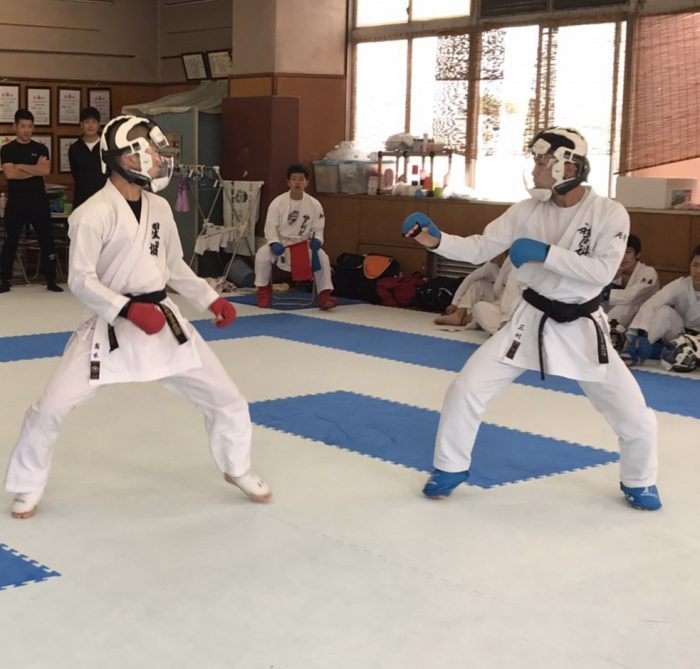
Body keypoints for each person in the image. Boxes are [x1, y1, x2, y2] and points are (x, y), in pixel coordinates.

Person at [5, 114, 271, 519]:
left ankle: (237, 467)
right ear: (123, 157)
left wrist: (210, 299)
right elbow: (80, 280)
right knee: (51, 407)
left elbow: (174, 265)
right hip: (109, 325)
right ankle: (27, 484)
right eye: (147, 150)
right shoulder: (91, 214)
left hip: (164, 322)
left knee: (227, 397)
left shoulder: (159, 207)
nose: (156, 158)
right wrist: (127, 308)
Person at [402, 126, 661, 511]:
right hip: (530, 320)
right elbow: (481, 248)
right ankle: (450, 467)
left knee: (633, 414)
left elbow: (602, 272)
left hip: (583, 325)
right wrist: (436, 240)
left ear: (567, 167)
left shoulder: (609, 213)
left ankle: (640, 480)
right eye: (536, 160)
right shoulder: (525, 211)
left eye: (542, 161)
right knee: (466, 388)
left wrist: (545, 253)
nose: (535, 168)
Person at [254, 164, 336, 310]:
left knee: (323, 257)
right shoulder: (277, 203)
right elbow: (270, 227)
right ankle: (263, 292)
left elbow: (318, 228)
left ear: (307, 182)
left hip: (303, 244)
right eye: (294, 179)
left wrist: (317, 240)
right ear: (288, 182)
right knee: (262, 255)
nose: (297, 182)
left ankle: (324, 296)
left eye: (301, 179)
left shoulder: (314, 204)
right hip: (282, 244)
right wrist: (274, 242)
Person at [0, 109, 62, 293]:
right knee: (11, 240)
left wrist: (20, 166)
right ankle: (5, 280)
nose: (26, 130)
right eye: (23, 126)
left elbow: (45, 171)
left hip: (38, 201)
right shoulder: (7, 149)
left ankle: (51, 280)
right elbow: (10, 174)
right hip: (16, 202)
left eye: (29, 126)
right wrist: (34, 168)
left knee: (46, 239)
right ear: (15, 127)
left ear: (33, 127)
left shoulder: (41, 148)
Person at [621, 244, 700, 372]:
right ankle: (635, 350)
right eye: (695, 265)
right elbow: (652, 303)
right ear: (690, 266)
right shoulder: (681, 284)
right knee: (664, 312)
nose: (698, 271)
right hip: (679, 335)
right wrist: (642, 334)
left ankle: (665, 352)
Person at [600, 234, 658, 350]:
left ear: (638, 255)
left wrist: (606, 294)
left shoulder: (648, 272)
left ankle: (608, 337)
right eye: (620, 252)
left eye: (628, 252)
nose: (623, 257)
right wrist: (612, 279)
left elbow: (633, 296)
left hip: (643, 323)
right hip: (620, 322)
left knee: (628, 304)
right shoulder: (613, 271)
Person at [434, 251, 508, 327]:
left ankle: (469, 319)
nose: (489, 255)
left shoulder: (512, 267)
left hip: (505, 306)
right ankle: (458, 315)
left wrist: (473, 314)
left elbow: (509, 299)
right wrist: (454, 303)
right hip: (496, 298)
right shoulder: (491, 265)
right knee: (477, 284)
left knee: (480, 308)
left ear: (503, 250)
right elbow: (470, 278)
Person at [69, 106, 107, 210]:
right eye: (87, 122)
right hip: (81, 198)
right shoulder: (74, 148)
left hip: (104, 197)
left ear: (99, 125)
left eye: (94, 122)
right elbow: (75, 174)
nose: (90, 125)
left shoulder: (106, 147)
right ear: (81, 124)